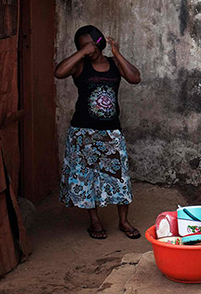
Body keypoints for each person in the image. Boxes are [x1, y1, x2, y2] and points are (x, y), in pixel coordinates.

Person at [55, 25, 142, 240]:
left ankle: (123, 221)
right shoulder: (80, 66)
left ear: (99, 42)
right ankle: (94, 220)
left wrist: (117, 54)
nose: (89, 48)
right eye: (83, 45)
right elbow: (59, 72)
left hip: (111, 132)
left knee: (119, 176)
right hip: (83, 132)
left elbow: (135, 78)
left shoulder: (113, 64)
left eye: (91, 43)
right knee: (87, 179)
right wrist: (81, 53)